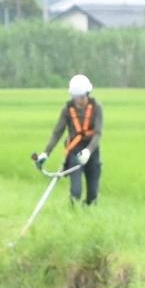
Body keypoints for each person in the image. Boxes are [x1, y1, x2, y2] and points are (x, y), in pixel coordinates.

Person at [34, 73, 103, 205]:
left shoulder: (96, 108)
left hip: (92, 151)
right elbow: (57, 133)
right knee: (75, 192)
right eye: (76, 97)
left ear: (88, 93)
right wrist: (45, 153)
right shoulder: (67, 109)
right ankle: (73, 213)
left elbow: (98, 133)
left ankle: (87, 214)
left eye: (82, 97)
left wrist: (88, 151)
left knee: (93, 196)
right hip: (75, 151)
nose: (79, 101)